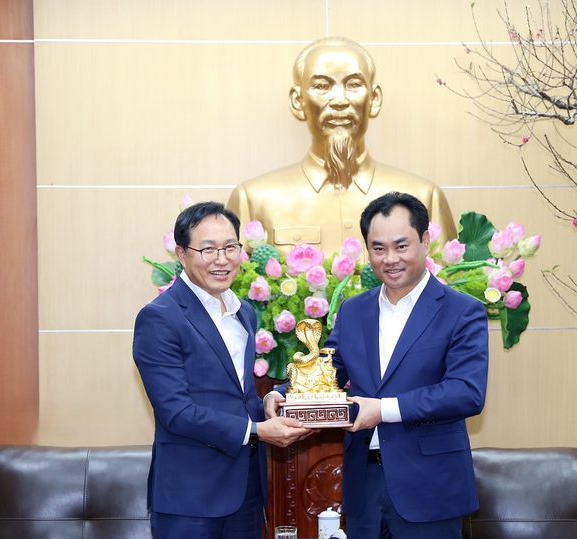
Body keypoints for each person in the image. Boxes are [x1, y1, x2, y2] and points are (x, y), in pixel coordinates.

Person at [267, 192, 489, 539]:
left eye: (402, 246)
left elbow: (466, 393)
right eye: (379, 248)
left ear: (425, 241)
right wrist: (282, 395)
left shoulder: (462, 311)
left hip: (430, 486)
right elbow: (331, 367)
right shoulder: (355, 310)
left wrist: (382, 410)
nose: (390, 259)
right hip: (363, 484)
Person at [133, 201, 311, 539]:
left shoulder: (243, 312)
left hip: (245, 488)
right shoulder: (161, 317)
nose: (222, 258)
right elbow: (176, 411)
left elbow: (236, 395)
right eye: (208, 249)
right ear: (182, 254)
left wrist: (270, 400)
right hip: (191, 495)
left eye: (230, 247)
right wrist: (258, 431)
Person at [227, 36, 457, 257]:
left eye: (354, 84)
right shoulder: (253, 200)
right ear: (298, 102)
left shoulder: (425, 197)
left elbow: (444, 288)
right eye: (322, 86)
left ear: (374, 99)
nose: (339, 100)